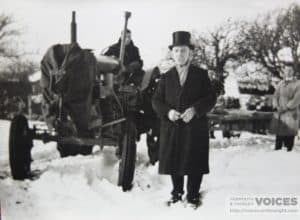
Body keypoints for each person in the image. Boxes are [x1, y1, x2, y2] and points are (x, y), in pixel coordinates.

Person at [152, 31, 216, 208]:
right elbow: (156, 101)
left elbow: (211, 98)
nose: (180, 54)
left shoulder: (201, 75)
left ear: (190, 53)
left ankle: (193, 195)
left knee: (194, 160)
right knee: (174, 160)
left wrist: (195, 110)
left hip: (195, 127)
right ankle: (177, 193)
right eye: (177, 51)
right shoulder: (166, 77)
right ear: (172, 53)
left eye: (183, 51)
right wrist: (168, 112)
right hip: (173, 127)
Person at [272, 63, 300, 152]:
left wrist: (286, 108)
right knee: (279, 135)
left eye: (290, 70)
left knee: (289, 134)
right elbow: (275, 96)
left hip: (291, 113)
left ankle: (289, 152)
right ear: (284, 72)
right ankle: (277, 152)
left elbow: (297, 99)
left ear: (293, 72)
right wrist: (276, 106)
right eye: (286, 70)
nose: (288, 72)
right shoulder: (281, 83)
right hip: (280, 114)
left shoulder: (298, 84)